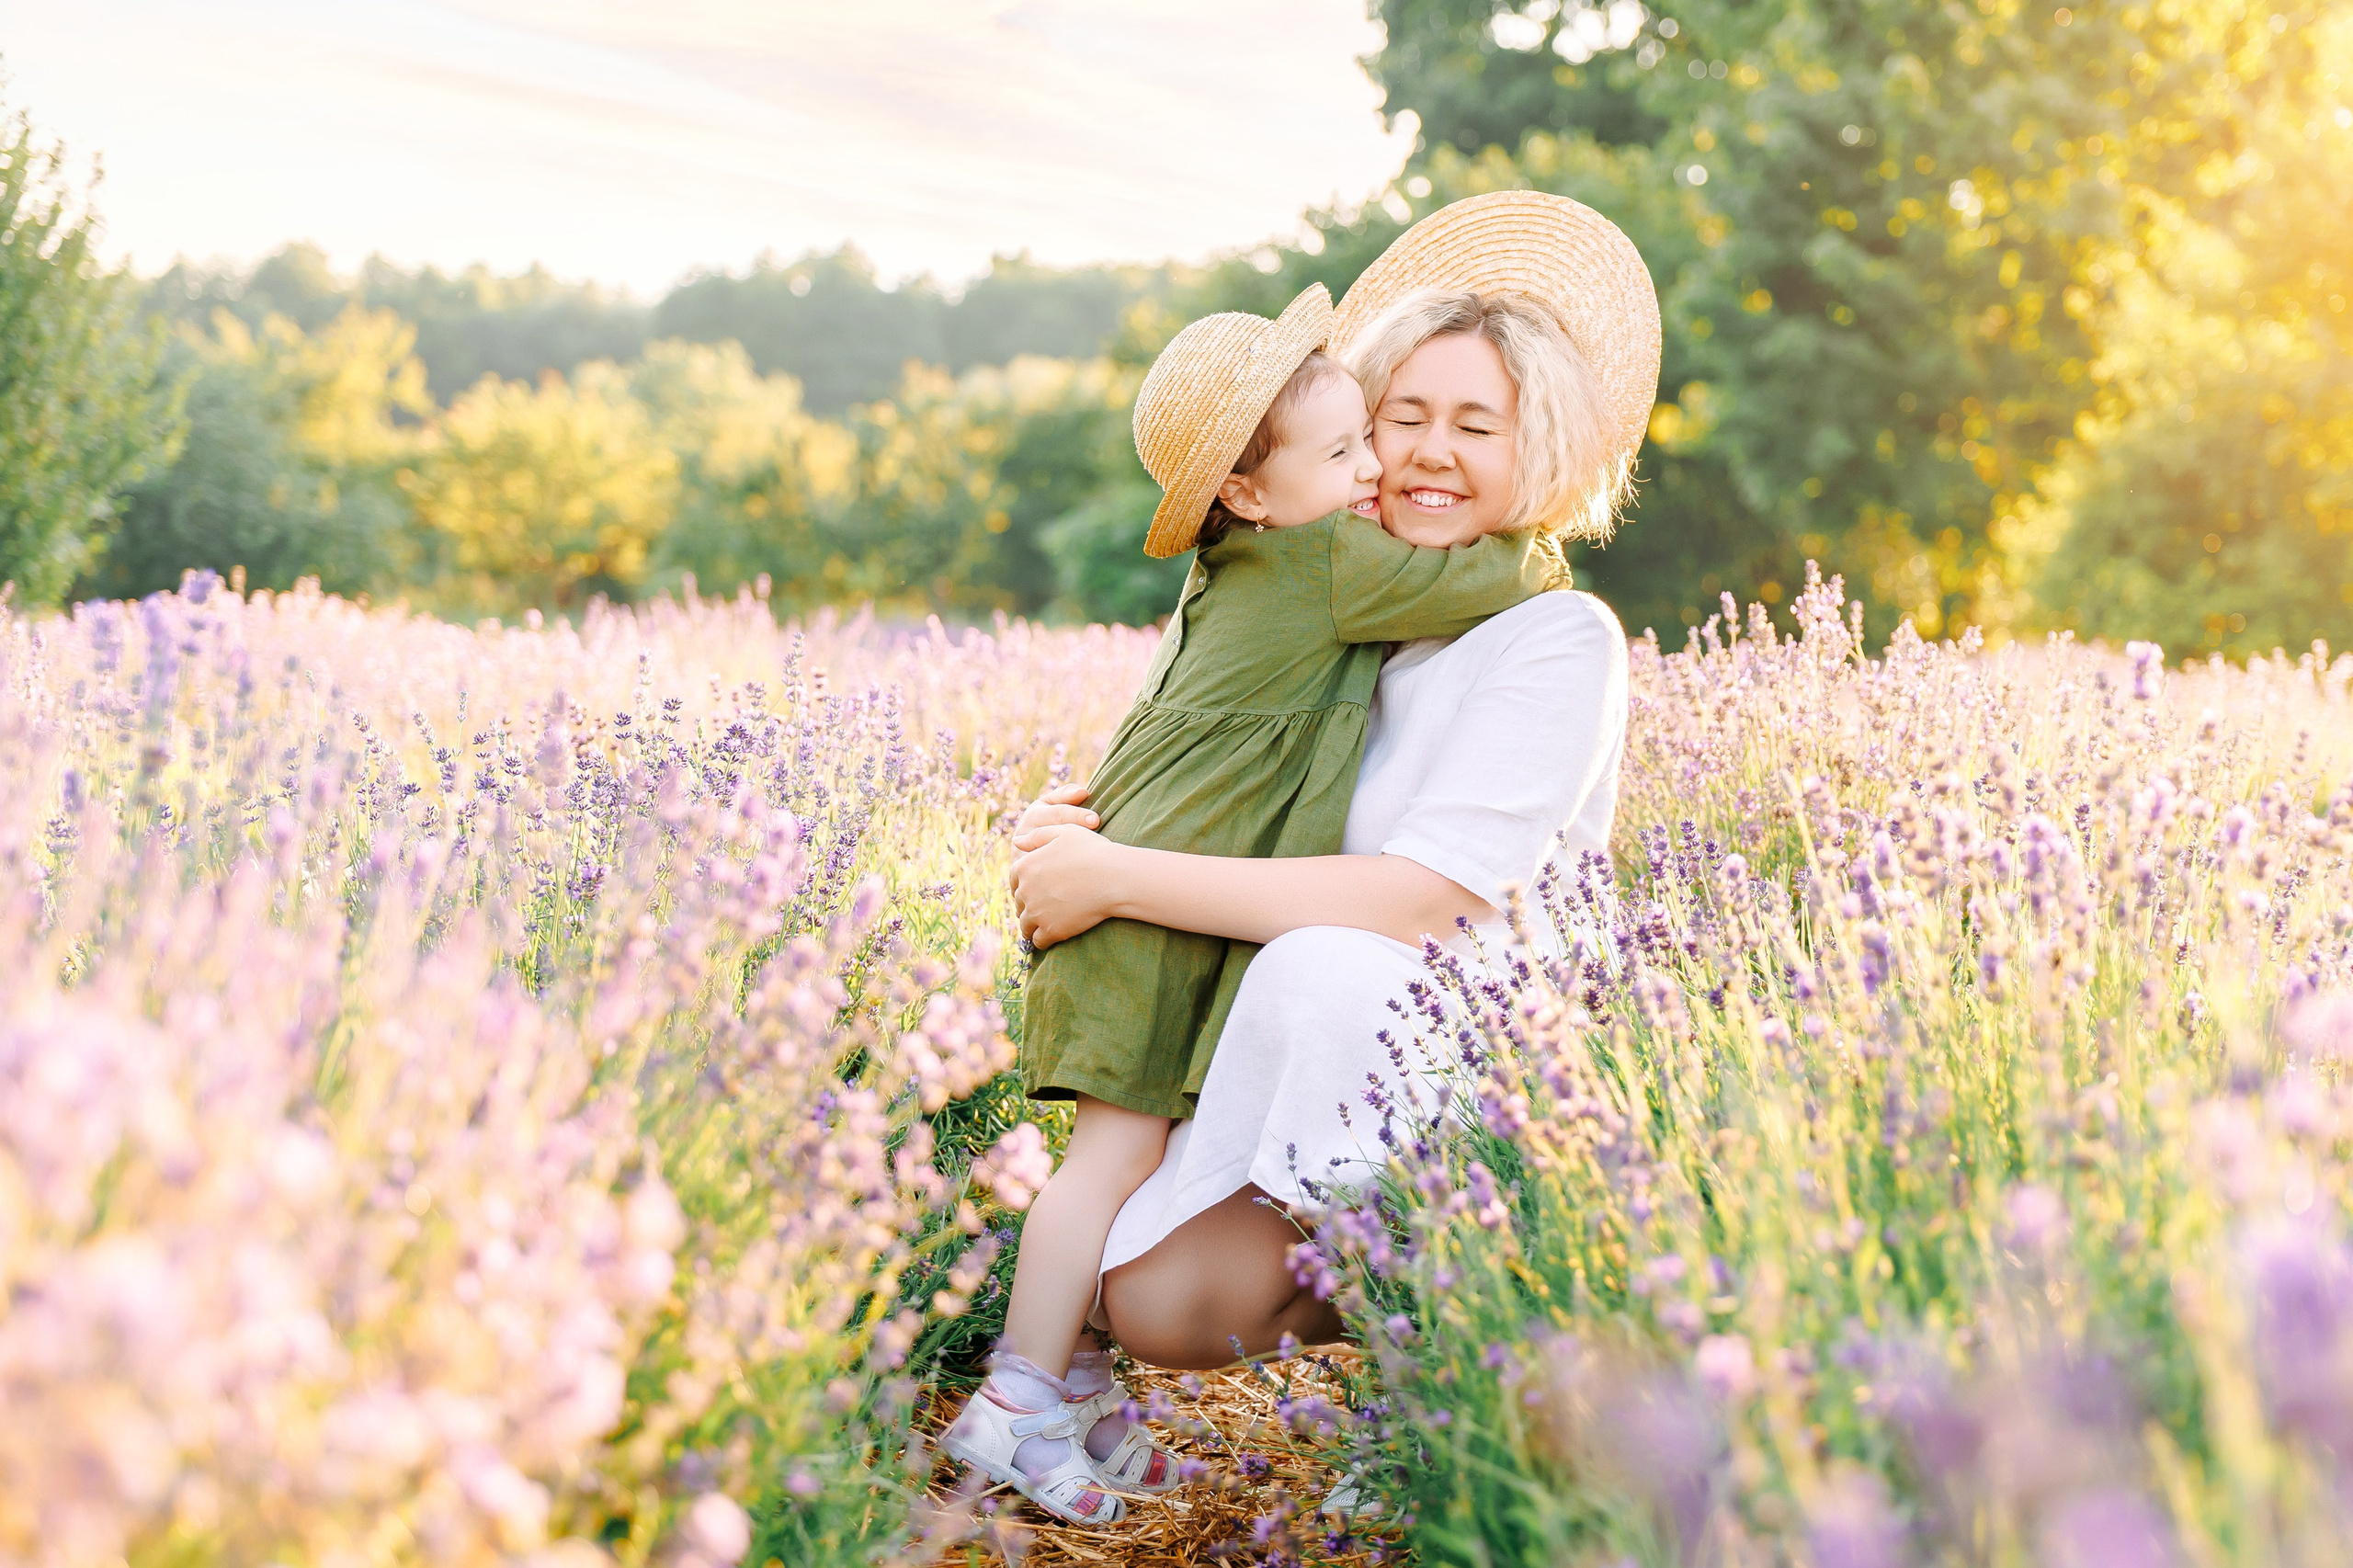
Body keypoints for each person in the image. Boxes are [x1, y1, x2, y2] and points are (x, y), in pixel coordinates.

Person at [1007, 191, 1662, 1385]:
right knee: (1146, 1295)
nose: (1425, 452)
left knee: (1330, 965)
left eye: (1477, 424)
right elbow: (1193, 759)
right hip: (1308, 1036)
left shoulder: (1557, 634)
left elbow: (1432, 905)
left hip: (1474, 1054)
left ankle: (1452, 1346)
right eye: (1400, 415)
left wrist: (1114, 879)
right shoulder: (1337, 606)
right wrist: (1069, 829)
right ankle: (1368, 1296)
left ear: (1542, 447)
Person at [939, 279, 1555, 1525]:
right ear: (1248, 492)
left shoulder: (1241, 561)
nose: (1380, 467)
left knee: (1134, 1155)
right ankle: (1015, 1399)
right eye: (1351, 446)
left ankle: (1087, 1392)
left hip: (1149, 903)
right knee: (1110, 1157)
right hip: (1147, 920)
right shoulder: (1324, 561)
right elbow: (1487, 584)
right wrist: (1534, 525)